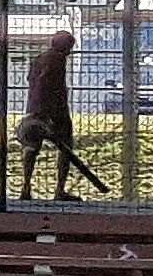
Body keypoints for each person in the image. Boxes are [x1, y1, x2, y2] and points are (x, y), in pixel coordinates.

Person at [15, 26, 108, 199]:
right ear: (65, 47)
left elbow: (32, 79)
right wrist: (52, 114)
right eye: (69, 48)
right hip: (53, 113)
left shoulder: (39, 58)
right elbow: (47, 84)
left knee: (31, 148)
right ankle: (59, 189)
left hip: (33, 111)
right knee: (66, 147)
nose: (70, 53)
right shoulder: (57, 59)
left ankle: (25, 187)